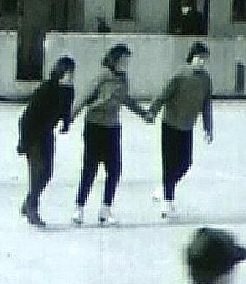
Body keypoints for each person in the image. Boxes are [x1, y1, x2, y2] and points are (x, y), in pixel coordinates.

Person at [74, 43, 153, 226]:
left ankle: (105, 209)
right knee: (90, 169)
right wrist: (69, 118)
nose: (126, 64)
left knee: (114, 170)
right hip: (94, 126)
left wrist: (144, 114)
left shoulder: (123, 79)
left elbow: (126, 99)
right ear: (114, 60)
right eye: (123, 60)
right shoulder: (102, 76)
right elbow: (84, 97)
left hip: (112, 128)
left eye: (128, 60)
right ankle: (79, 207)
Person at [147, 42, 216, 219]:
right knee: (169, 164)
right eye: (199, 58)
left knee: (185, 163)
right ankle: (167, 203)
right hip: (170, 124)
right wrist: (152, 111)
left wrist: (208, 127)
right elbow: (163, 94)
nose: (202, 62)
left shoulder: (206, 80)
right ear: (191, 57)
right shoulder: (180, 75)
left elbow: (207, 104)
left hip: (187, 126)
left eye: (205, 59)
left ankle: (164, 188)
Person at [16, 55, 77, 227]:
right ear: (60, 71)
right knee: (37, 172)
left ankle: (30, 200)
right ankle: (32, 209)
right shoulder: (46, 88)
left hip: (47, 133)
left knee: (47, 172)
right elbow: (27, 116)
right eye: (68, 72)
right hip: (33, 133)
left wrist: (65, 124)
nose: (71, 76)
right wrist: (23, 141)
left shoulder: (68, 91)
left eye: (72, 73)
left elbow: (65, 110)